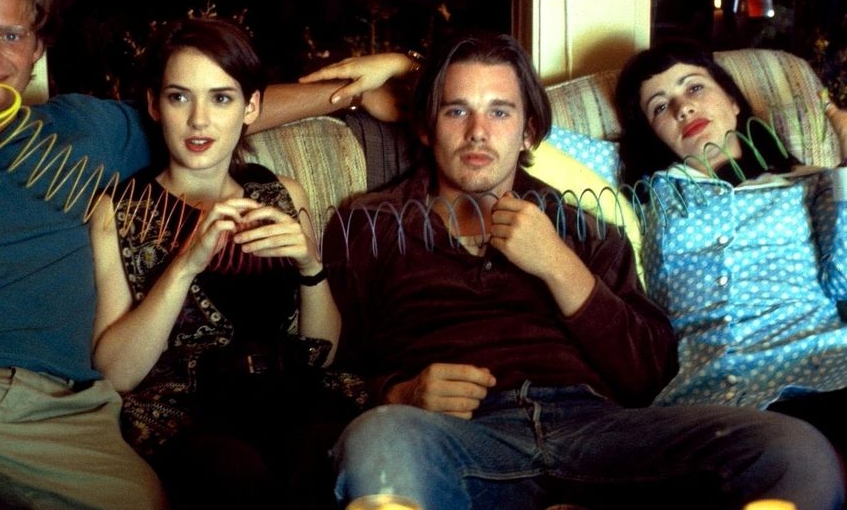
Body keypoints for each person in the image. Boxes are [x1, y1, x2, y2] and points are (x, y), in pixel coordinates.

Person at [0, 0, 410, 507]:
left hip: (58, 407)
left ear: (36, 50)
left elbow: (207, 106)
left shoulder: (88, 130)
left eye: (11, 35)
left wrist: (354, 93)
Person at [322, 30, 845, 510]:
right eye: (457, 111)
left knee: (794, 450)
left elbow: (650, 374)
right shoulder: (370, 223)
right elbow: (333, 365)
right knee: (377, 439)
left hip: (598, 434)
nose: (478, 132)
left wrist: (558, 265)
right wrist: (402, 392)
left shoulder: (586, 225)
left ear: (529, 133)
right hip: (462, 441)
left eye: (500, 112)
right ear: (425, 127)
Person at [89, 17, 359, 510]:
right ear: (154, 105)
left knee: (322, 456)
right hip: (190, 420)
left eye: (220, 98)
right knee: (234, 473)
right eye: (179, 97)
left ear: (250, 107)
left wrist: (309, 266)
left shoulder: (281, 194)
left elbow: (323, 355)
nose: (199, 120)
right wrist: (184, 265)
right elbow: (115, 373)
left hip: (290, 399)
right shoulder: (121, 210)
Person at [614, 38, 847, 452]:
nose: (683, 108)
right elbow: (532, 143)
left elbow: (843, 282)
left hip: (824, 374)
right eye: (659, 107)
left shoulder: (808, 183)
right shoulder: (647, 197)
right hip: (709, 401)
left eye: (694, 87)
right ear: (653, 135)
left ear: (734, 101)